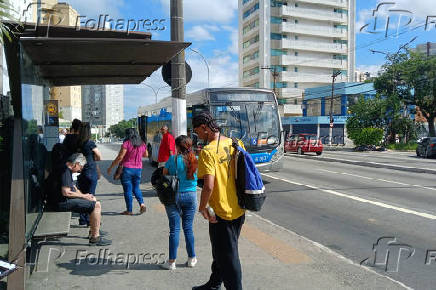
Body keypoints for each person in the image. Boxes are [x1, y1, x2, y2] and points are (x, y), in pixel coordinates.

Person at [192, 112, 245, 290]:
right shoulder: (235, 143)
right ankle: (214, 283)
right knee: (221, 252)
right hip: (239, 208)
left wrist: (202, 207)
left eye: (197, 131)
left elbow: (208, 186)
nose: (197, 135)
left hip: (221, 213)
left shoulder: (208, 151)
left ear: (204, 128)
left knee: (229, 257)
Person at [55, 153, 111, 246]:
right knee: (96, 206)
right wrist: (84, 197)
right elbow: (66, 192)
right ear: (76, 164)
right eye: (80, 167)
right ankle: (95, 238)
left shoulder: (66, 169)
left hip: (62, 199)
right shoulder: (65, 171)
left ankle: (93, 230)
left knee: (93, 200)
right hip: (61, 202)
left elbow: (73, 187)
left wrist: (85, 196)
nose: (80, 170)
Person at [160, 135, 198, 270]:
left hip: (173, 197)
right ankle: (191, 258)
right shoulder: (196, 160)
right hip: (191, 196)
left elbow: (164, 174)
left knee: (174, 229)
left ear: (177, 147)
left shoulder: (173, 159)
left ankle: (171, 262)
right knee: (188, 228)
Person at [107, 128, 148, 215]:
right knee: (136, 187)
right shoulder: (142, 144)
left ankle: (129, 210)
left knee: (128, 190)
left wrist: (111, 167)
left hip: (127, 169)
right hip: (138, 169)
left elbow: (120, 157)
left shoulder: (126, 143)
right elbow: (146, 155)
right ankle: (142, 204)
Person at [76, 122, 102, 226]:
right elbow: (99, 156)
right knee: (91, 197)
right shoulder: (90, 143)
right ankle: (91, 222)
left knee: (82, 195)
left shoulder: (77, 143)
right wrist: (92, 158)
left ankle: (82, 219)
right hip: (90, 170)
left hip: (80, 171)